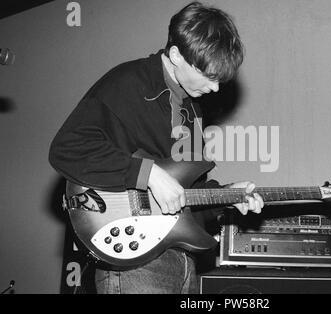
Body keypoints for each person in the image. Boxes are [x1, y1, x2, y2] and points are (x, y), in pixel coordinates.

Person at [49, 1, 264, 294]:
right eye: (209, 76)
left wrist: (225, 195)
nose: (215, 89)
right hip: (135, 262)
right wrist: (148, 174)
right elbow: (67, 148)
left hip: (181, 260)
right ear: (176, 55)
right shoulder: (127, 82)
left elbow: (184, 196)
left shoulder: (193, 111)